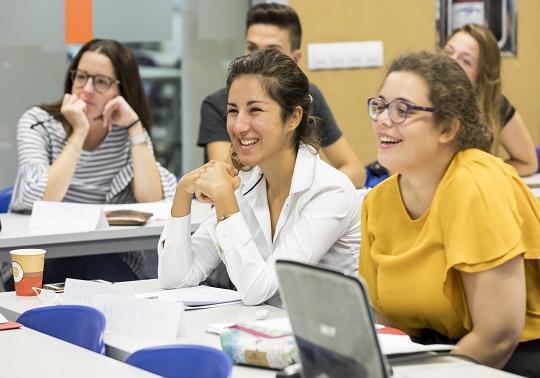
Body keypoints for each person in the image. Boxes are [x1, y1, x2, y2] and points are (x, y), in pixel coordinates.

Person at [359, 51, 540, 377]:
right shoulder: (378, 203)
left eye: (402, 110)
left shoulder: (477, 183)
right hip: (432, 356)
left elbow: (498, 336)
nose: (383, 119)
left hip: (513, 359)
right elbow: (388, 325)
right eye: (380, 106)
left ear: (447, 128)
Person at [159, 49, 361, 306]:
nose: (239, 126)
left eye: (255, 110)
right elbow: (176, 279)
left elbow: (258, 290)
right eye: (233, 111)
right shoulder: (247, 183)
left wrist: (224, 201)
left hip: (329, 341)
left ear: (294, 118)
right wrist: (182, 195)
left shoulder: (330, 192)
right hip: (267, 333)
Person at [2, 39, 177, 290]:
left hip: (110, 255)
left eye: (101, 82)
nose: (86, 89)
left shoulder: (128, 132)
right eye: (81, 77)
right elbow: (38, 197)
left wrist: (135, 128)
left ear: (122, 90)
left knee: (101, 278)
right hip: (41, 256)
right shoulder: (38, 123)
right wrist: (79, 131)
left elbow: (154, 199)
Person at [197, 2, 366, 188]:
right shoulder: (216, 103)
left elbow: (355, 170)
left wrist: (315, 193)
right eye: (251, 48)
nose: (259, 58)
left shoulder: (308, 96)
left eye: (272, 51)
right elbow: (224, 181)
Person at [443, 23, 538, 176]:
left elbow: (528, 163)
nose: (451, 62)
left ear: (481, 75)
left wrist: (484, 175)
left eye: (465, 61)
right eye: (448, 52)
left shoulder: (494, 104)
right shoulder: (418, 97)